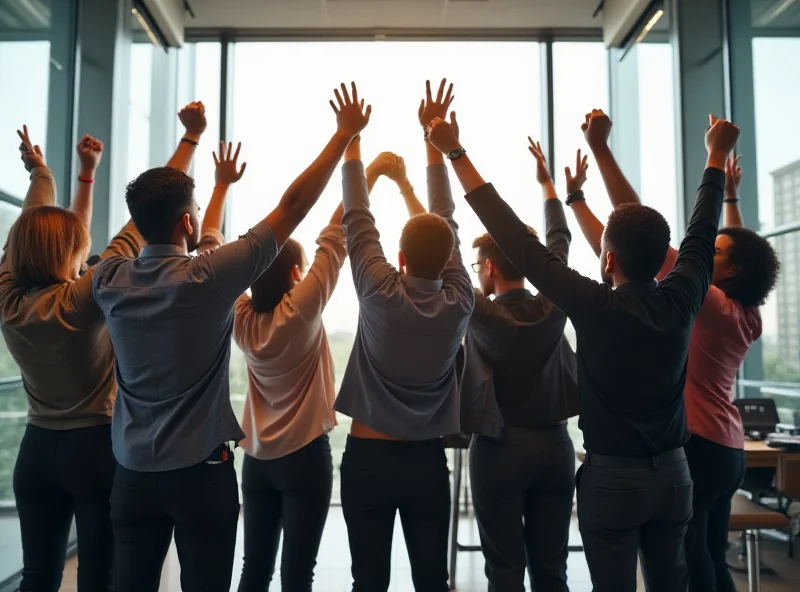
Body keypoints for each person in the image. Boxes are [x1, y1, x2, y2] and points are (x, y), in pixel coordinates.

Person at [427, 109, 741, 592]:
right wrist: (716, 158)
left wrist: (455, 152)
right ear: (664, 261)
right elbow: (701, 233)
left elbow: (514, 237)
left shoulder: (594, 304)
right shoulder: (684, 299)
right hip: (676, 475)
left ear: (609, 258)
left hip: (612, 479)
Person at [92, 86, 370, 592]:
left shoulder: (108, 278)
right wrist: (342, 135)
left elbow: (172, 229)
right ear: (187, 221)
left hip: (131, 475)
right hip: (200, 477)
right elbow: (292, 207)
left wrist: (204, 169)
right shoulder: (209, 279)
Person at [567, 112, 780, 592]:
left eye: (713, 255)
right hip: (730, 448)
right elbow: (739, 247)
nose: (702, 252)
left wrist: (600, 149)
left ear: (727, 272)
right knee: (712, 555)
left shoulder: (711, 303)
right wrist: (730, 198)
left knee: (692, 564)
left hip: (699, 446)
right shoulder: (745, 313)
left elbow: (637, 231)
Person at [197, 139, 421, 591]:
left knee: (254, 569)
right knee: (298, 573)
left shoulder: (241, 319)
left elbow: (208, 255)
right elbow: (335, 235)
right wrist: (370, 173)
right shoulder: (301, 310)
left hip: (256, 462)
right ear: (296, 275)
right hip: (304, 461)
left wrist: (220, 189)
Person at [334, 79, 474, 592]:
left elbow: (356, 217)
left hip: (366, 460)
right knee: (431, 584)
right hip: (425, 462)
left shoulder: (378, 290)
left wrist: (351, 138)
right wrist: (432, 142)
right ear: (448, 261)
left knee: (367, 581)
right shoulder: (461, 300)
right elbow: (447, 222)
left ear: (399, 259)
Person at [2, 128, 143, 592]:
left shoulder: (9, 301)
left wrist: (46, 173)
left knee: (38, 577)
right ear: (72, 256)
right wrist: (186, 148)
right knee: (97, 578)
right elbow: (133, 233)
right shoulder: (83, 299)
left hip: (37, 451)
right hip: (94, 450)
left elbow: (32, 224)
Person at [466, 139, 579, 592]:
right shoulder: (555, 304)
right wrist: (549, 187)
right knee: (552, 571)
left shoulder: (482, 311)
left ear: (490, 267)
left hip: (497, 450)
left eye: (477, 265)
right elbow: (559, 246)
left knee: (505, 571)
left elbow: (447, 268)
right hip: (554, 448)